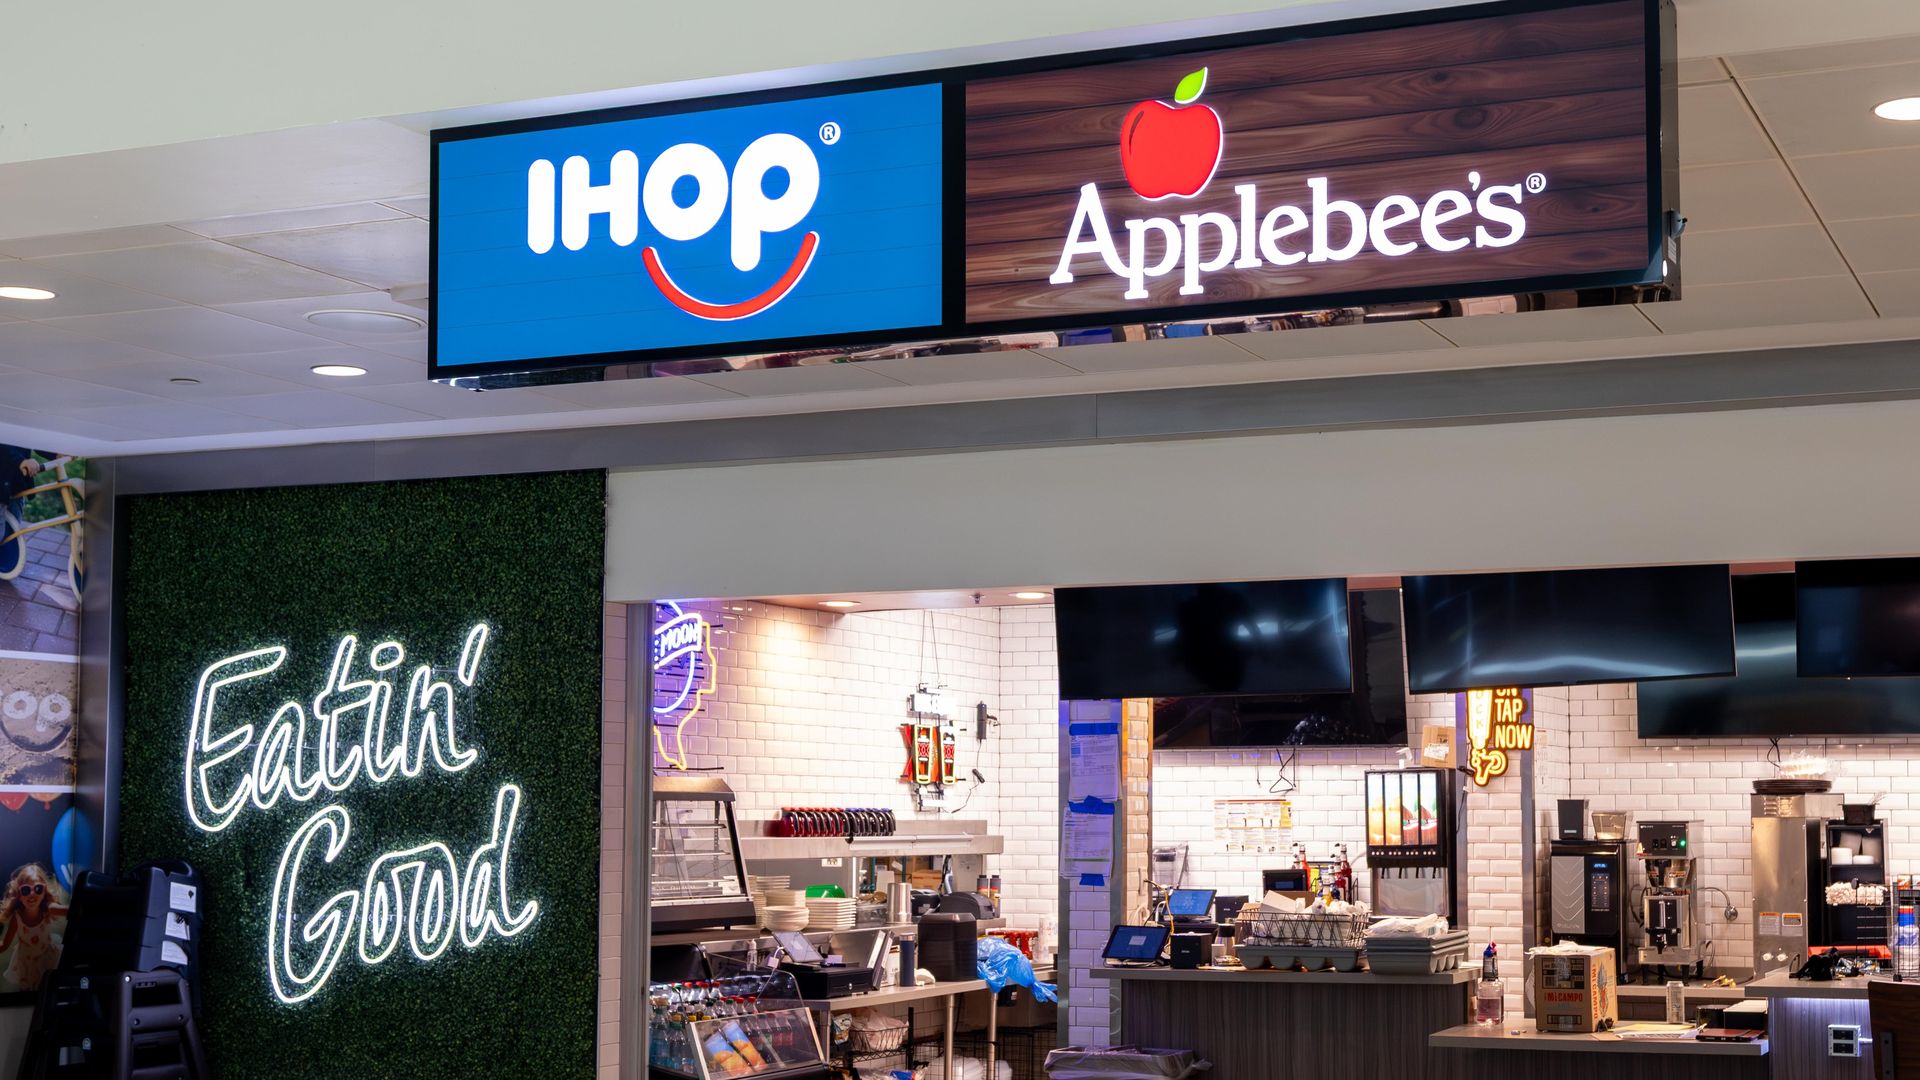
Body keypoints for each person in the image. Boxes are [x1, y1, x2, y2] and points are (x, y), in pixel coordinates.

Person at [0, 862, 69, 992]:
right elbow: (4, 945)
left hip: (47, 959)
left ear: (44, 892)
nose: (32, 894)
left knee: (48, 990)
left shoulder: (48, 909)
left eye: (38, 889)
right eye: (26, 890)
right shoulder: (17, 918)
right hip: (26, 963)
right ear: (19, 895)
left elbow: (66, 910)